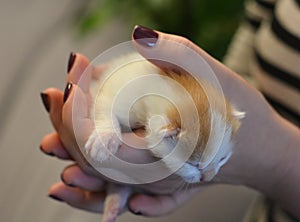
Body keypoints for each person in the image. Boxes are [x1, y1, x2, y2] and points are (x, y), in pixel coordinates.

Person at [40, 25, 300, 220]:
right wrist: (107, 128)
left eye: (221, 160)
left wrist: (273, 162)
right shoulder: (144, 96)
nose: (208, 175)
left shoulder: (180, 133)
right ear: (166, 130)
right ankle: (118, 186)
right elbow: (105, 98)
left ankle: (119, 187)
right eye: (196, 164)